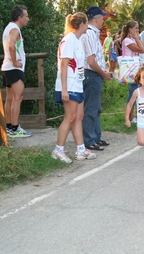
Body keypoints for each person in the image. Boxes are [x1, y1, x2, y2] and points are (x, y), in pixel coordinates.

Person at [51, 13, 96, 163]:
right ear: (82, 24)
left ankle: (81, 149)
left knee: (78, 117)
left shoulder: (77, 39)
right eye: (86, 24)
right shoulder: (69, 40)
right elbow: (64, 64)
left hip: (77, 84)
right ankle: (58, 150)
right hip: (69, 84)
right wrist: (64, 89)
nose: (88, 27)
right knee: (69, 117)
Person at [81, 6, 112, 151]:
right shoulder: (90, 34)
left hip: (94, 73)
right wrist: (103, 73)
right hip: (92, 73)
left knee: (96, 107)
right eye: (102, 18)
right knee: (91, 108)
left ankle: (96, 136)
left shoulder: (92, 33)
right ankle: (89, 139)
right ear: (97, 19)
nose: (103, 21)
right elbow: (91, 61)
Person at [1, 5, 31, 138]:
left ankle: (8, 127)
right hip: (13, 68)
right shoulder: (14, 29)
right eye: (26, 16)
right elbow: (11, 45)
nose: (28, 19)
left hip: (7, 68)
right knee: (17, 98)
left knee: (10, 98)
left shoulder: (9, 27)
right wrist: (14, 61)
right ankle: (15, 127)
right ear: (20, 17)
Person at [121, 20, 144, 123]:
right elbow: (142, 49)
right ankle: (130, 117)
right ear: (130, 29)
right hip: (130, 68)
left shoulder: (132, 40)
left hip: (135, 68)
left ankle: (134, 115)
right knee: (132, 93)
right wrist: (136, 37)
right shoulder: (127, 41)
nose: (137, 30)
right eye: (136, 28)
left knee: (135, 90)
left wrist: (136, 38)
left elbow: (143, 48)